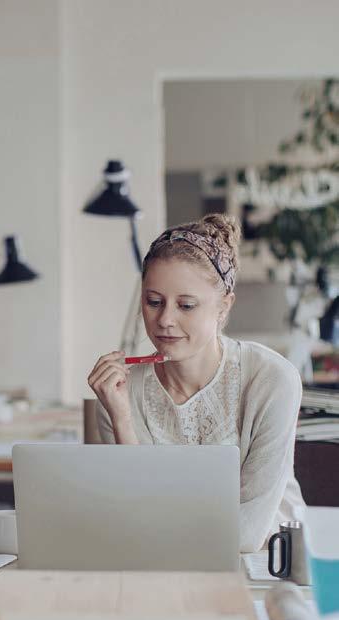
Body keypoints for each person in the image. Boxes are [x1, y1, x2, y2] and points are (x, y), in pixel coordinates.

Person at [87, 213, 304, 553]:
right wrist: (122, 421)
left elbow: (248, 533)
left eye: (186, 305)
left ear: (223, 307)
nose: (165, 320)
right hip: (159, 565)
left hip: (270, 568)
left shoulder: (272, 380)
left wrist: (153, 523)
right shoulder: (118, 393)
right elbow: (131, 518)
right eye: (153, 302)